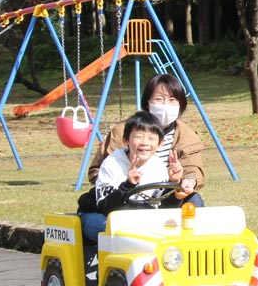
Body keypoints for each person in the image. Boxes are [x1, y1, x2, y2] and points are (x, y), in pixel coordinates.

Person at [88, 73, 205, 207]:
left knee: (194, 201)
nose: (165, 106)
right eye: (159, 99)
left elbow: (192, 167)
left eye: (172, 100)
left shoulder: (187, 136)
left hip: (165, 192)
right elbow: (98, 171)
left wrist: (187, 181)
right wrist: (127, 182)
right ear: (148, 102)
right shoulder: (122, 131)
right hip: (122, 195)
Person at [78, 111, 185, 243]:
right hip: (99, 215)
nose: (144, 143)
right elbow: (105, 207)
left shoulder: (158, 166)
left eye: (151, 138)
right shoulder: (112, 163)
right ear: (126, 140)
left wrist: (173, 183)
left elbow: (161, 208)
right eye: (138, 137)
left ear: (160, 143)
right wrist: (128, 184)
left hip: (135, 221)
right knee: (121, 234)